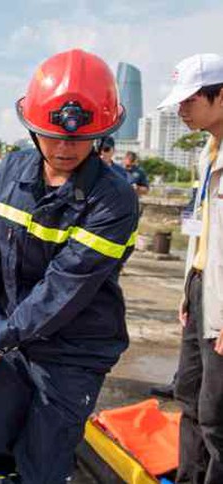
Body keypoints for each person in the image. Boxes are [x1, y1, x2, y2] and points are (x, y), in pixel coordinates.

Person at [0, 49, 139, 482]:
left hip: (73, 348)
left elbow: (65, 286)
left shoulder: (113, 199)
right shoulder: (10, 172)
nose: (63, 148)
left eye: (78, 139)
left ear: (100, 135)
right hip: (13, 335)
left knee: (42, 463)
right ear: (32, 128)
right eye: (52, 136)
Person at [158, 53, 223, 484]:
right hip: (202, 288)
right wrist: (188, 290)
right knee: (189, 397)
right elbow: (202, 232)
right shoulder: (207, 153)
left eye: (189, 100)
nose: (181, 110)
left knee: (217, 415)